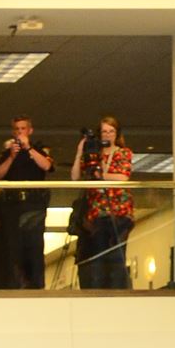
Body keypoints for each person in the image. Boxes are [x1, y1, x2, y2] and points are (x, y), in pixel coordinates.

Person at [72, 114, 135, 290]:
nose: (107, 135)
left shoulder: (123, 152)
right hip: (97, 214)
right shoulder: (93, 154)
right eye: (104, 131)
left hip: (119, 212)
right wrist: (80, 152)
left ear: (117, 133)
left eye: (111, 131)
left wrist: (101, 176)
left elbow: (123, 177)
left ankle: (117, 290)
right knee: (98, 255)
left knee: (116, 255)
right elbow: (75, 177)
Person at [0, 116, 54, 289]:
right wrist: (11, 157)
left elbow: (47, 166)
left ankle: (37, 286)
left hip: (34, 206)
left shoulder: (39, 149)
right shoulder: (8, 153)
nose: (20, 132)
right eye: (17, 129)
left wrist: (29, 148)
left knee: (34, 248)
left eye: (23, 129)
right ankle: (15, 286)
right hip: (13, 207)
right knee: (14, 249)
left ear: (30, 131)